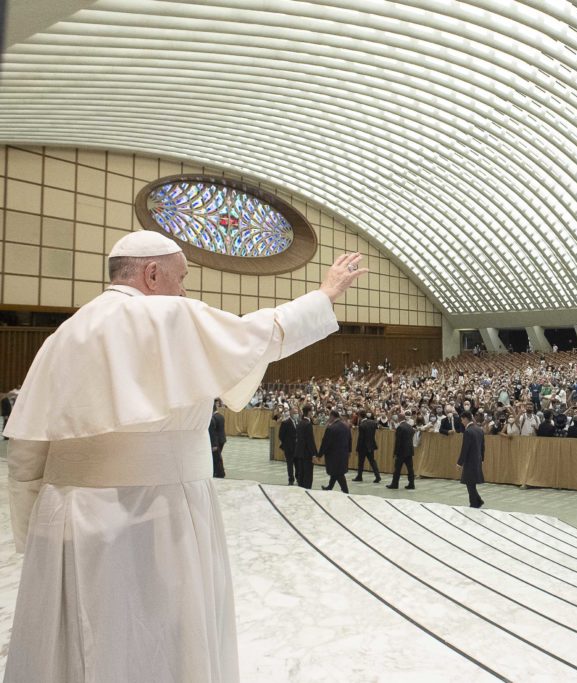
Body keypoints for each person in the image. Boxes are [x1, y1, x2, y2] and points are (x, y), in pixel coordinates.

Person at [3, 231, 366, 683]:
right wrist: (325, 295)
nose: (185, 290)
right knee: (158, 641)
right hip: (155, 511)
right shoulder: (165, 314)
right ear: (152, 274)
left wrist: (35, 525)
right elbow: (260, 334)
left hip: (66, 513)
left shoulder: (65, 334)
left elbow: (26, 451)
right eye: (182, 277)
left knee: (74, 641)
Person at [458, 412, 485, 508]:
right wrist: (482, 458)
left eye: (462, 420)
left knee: (469, 482)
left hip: (470, 460)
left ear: (465, 419)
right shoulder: (479, 430)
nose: (461, 422)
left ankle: (474, 503)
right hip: (477, 459)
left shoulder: (468, 431)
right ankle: (478, 501)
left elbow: (465, 448)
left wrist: (459, 462)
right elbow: (483, 446)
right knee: (471, 483)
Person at [319, 410, 351, 493]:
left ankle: (345, 490)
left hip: (333, 454)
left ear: (332, 416)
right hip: (343, 453)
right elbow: (350, 439)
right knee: (336, 471)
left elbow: (325, 442)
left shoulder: (331, 428)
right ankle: (330, 487)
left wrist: (320, 454)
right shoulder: (346, 426)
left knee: (338, 473)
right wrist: (349, 451)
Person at [387, 412, 416, 490]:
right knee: (410, 469)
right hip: (409, 450)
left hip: (401, 451)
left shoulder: (400, 427)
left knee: (397, 469)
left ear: (399, 418)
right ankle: (411, 484)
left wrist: (395, 452)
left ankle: (395, 484)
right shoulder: (410, 427)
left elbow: (398, 441)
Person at [354, 410, 381, 482]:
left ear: (360, 416)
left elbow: (360, 438)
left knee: (361, 462)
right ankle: (377, 476)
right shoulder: (373, 422)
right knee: (372, 461)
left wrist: (357, 449)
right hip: (371, 445)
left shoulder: (362, 425)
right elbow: (378, 427)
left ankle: (359, 476)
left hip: (363, 446)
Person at [294, 404, 317, 489]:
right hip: (307, 453)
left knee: (301, 473)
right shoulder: (308, 424)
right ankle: (307, 491)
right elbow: (310, 440)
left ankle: (300, 489)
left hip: (299, 452)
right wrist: (314, 454)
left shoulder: (300, 423)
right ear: (309, 412)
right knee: (308, 474)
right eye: (311, 411)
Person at [278, 406, 299, 485]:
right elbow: (281, 435)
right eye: (294, 413)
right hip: (289, 448)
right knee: (290, 464)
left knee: (298, 465)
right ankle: (291, 479)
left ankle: (298, 478)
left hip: (297, 448)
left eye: (296, 413)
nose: (295, 414)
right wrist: (287, 444)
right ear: (290, 413)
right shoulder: (285, 423)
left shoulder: (298, 422)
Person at [209, 398, 227, 478]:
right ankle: (219, 472)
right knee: (218, 456)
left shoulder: (212, 419)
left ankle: (219, 473)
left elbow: (213, 433)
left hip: (216, 441)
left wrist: (214, 445)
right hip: (222, 439)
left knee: (216, 458)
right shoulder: (221, 416)